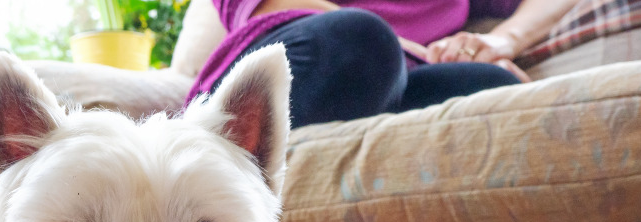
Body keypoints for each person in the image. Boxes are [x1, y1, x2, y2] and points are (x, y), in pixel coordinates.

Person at [188, 0, 582, 128]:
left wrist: (501, 40)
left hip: (404, 78)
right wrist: (411, 49)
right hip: (291, 52)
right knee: (361, 41)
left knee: (494, 87)